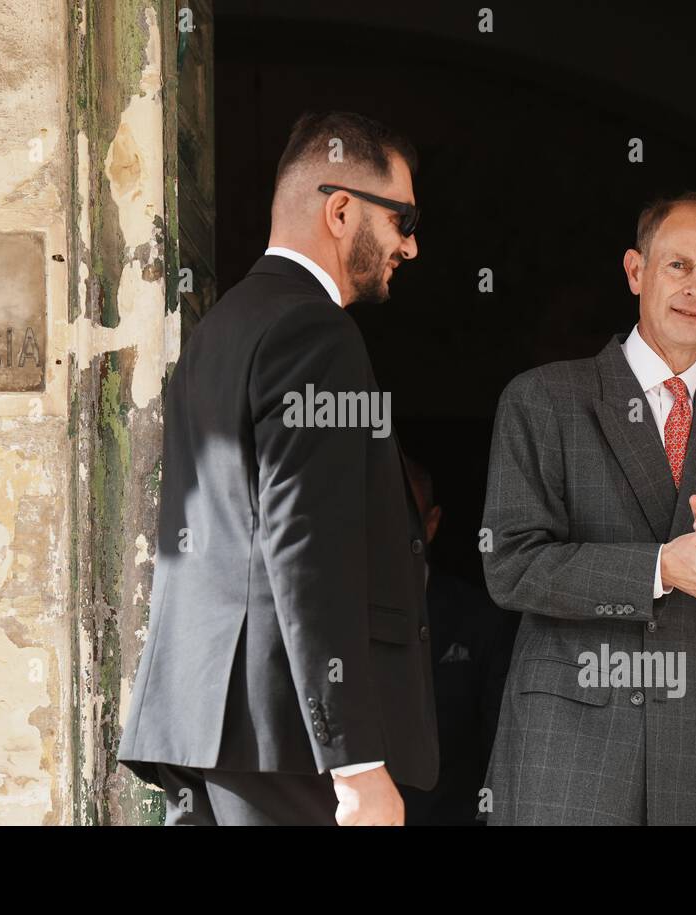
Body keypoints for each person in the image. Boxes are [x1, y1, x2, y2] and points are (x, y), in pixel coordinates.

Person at [117, 111, 437, 825]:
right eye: (403, 219)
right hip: (285, 740)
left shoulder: (219, 328)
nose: (410, 247)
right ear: (342, 209)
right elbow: (305, 544)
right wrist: (353, 762)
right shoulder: (315, 332)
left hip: (204, 726)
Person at [480, 191, 696, 825]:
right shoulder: (545, 399)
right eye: (677, 266)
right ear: (635, 271)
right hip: (570, 753)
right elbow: (511, 567)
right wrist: (661, 569)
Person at [397, 454, 518, 825]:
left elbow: (500, 747)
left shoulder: (480, 620)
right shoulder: (334, 618)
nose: (385, 535)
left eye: (403, 519)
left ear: (430, 524)